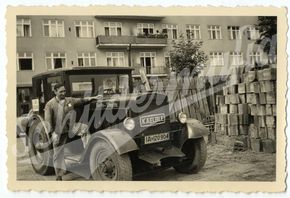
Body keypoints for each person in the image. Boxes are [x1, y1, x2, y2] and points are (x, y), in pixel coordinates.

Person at [44, 83, 101, 181]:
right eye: (61, 91)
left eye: (64, 91)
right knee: (58, 154)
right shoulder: (50, 104)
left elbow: (82, 100)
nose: (63, 93)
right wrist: (52, 133)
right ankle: (59, 175)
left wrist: (94, 97)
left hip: (72, 127)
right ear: (55, 92)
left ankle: (89, 153)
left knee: (84, 128)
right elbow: (48, 121)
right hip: (58, 131)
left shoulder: (69, 100)